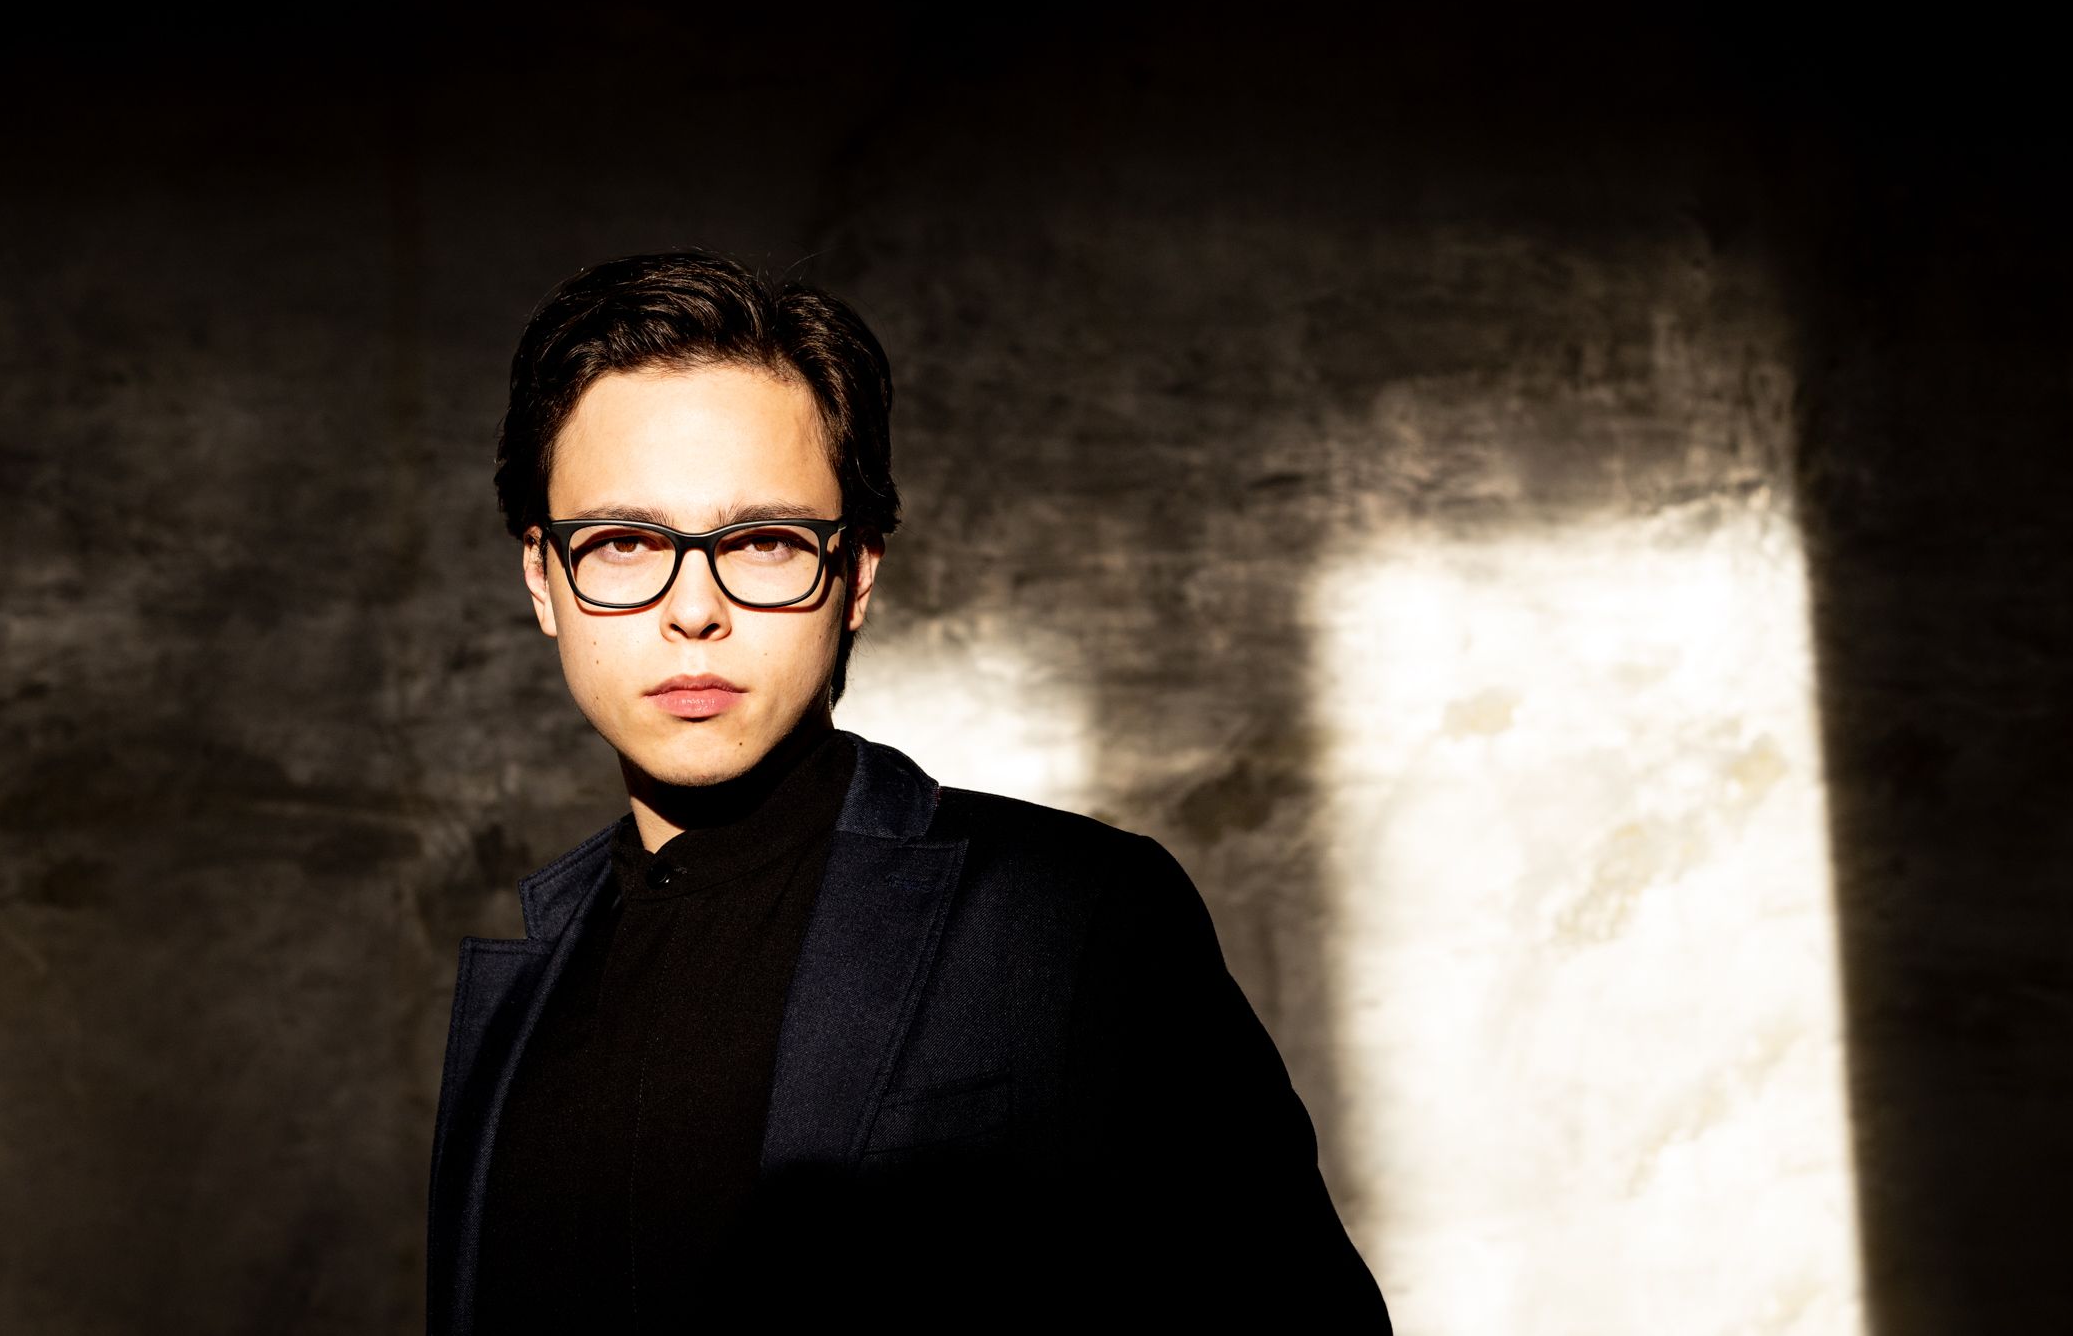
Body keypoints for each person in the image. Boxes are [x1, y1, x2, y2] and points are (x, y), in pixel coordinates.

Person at [425, 249, 1387, 1334]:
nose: (694, 609)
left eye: (766, 541)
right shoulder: (528, 994)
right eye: (623, 542)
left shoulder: (1077, 917)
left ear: (857, 575)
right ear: (543, 578)